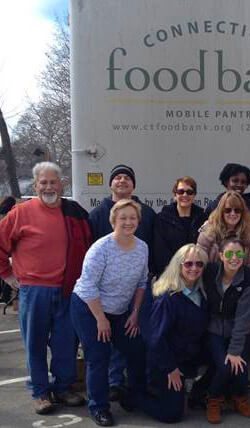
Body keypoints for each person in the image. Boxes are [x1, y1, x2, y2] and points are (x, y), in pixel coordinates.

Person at [0, 162, 91, 415]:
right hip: (34, 290)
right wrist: (7, 276)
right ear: (36, 184)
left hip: (67, 289)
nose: (49, 187)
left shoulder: (74, 212)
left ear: (62, 185)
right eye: (43, 182)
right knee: (35, 344)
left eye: (53, 182)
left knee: (66, 343)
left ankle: (63, 388)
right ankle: (40, 392)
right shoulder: (20, 213)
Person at [71, 199, 148, 426]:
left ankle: (134, 396)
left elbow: (142, 282)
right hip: (89, 308)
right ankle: (99, 407)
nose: (128, 222)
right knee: (98, 357)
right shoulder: (101, 248)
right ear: (113, 220)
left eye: (132, 218)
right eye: (123, 218)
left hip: (121, 310)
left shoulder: (142, 247)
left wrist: (135, 313)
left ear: (138, 221)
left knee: (136, 350)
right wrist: (100, 319)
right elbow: (87, 286)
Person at [88, 164, 156, 400]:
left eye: (127, 177)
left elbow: (152, 251)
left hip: (136, 287)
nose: (122, 180)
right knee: (108, 340)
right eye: (117, 177)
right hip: (105, 293)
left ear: (134, 185)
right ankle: (114, 382)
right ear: (111, 184)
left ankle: (137, 383)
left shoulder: (147, 213)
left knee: (135, 334)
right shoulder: (97, 214)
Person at [136, 244, 208, 423]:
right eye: (188, 264)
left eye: (199, 264)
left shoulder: (202, 294)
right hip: (166, 361)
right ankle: (134, 397)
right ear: (178, 265)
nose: (194, 268)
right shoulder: (168, 298)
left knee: (223, 359)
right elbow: (155, 338)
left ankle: (197, 393)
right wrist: (171, 368)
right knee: (172, 414)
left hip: (188, 357)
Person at [203, 237, 250, 424]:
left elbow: (244, 319)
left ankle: (239, 397)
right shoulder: (210, 272)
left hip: (238, 328)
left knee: (239, 365)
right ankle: (214, 398)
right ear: (220, 255)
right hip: (214, 328)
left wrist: (235, 350)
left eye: (239, 254)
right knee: (225, 366)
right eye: (229, 254)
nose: (234, 258)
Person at [204, 163, 250, 288]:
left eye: (243, 182)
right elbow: (203, 247)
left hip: (243, 276)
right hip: (215, 276)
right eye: (235, 180)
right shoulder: (213, 207)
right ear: (226, 182)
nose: (239, 184)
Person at [153, 176, 206, 277]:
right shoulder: (162, 219)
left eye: (189, 192)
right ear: (175, 195)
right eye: (181, 192)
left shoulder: (203, 219)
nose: (185, 195)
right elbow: (160, 252)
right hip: (170, 276)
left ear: (194, 195)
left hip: (196, 276)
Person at [198, 191, 250, 272]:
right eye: (228, 210)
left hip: (241, 280)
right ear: (221, 211)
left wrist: (248, 283)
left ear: (242, 212)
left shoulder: (249, 231)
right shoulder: (208, 229)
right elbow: (199, 261)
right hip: (212, 278)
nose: (233, 214)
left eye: (237, 210)